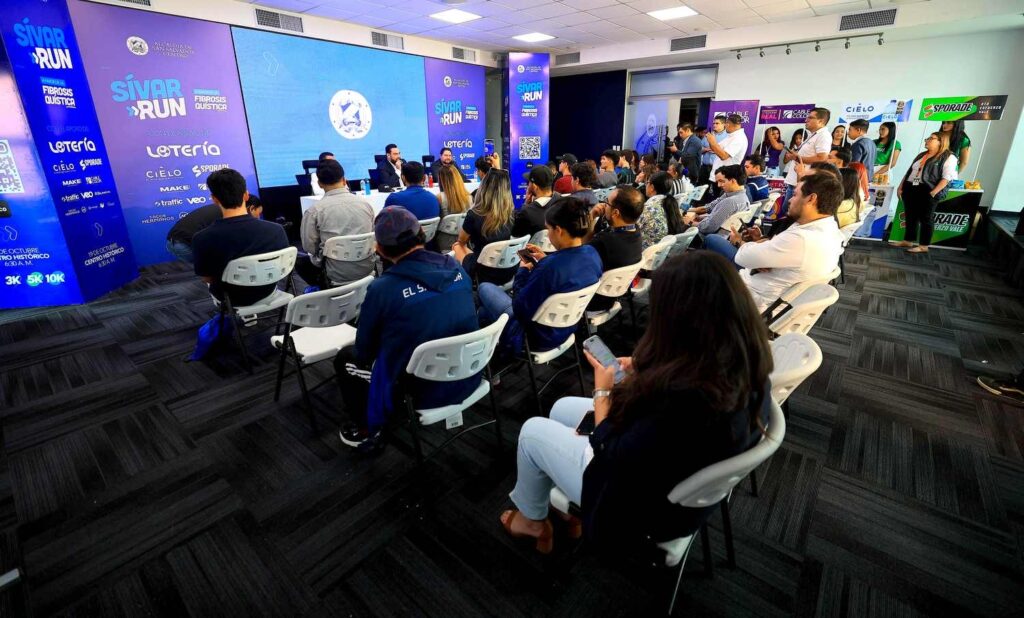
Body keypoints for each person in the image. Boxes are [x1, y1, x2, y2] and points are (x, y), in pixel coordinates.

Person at [499, 250, 773, 556]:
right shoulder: (742, 364)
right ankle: (563, 508)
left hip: (635, 503)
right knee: (560, 408)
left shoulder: (687, 400)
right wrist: (647, 368)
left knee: (532, 432)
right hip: (670, 471)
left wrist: (602, 393)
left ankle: (532, 521)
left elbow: (610, 449)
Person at [334, 206, 479, 453]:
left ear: (379, 249)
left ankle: (366, 428)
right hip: (470, 371)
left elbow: (364, 351)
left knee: (345, 359)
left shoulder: (382, 289)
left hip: (423, 389)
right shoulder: (457, 268)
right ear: (423, 233)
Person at [477, 197, 602, 359]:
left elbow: (519, 308)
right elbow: (568, 273)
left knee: (484, 288)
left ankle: (488, 349)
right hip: (567, 328)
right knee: (485, 312)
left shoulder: (549, 268)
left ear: (559, 230)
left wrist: (522, 271)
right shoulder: (593, 254)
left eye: (548, 229)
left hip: (533, 337)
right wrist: (545, 260)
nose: (548, 234)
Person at [717, 172, 844, 311]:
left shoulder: (802, 239)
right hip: (762, 293)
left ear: (811, 199)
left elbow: (742, 257)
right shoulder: (830, 230)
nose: (790, 200)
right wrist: (761, 244)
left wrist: (739, 242)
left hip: (748, 301)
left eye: (795, 195)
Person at [192, 168, 289, 307]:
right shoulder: (276, 230)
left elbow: (208, 278)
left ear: (214, 199)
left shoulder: (202, 238)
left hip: (230, 298)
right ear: (246, 195)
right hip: (267, 291)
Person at [297, 159, 374, 288]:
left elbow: (309, 247)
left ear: (320, 184)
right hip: (367, 268)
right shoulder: (365, 205)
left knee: (300, 261)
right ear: (344, 180)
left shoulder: (314, 211)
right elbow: (372, 234)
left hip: (335, 274)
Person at [892, 132, 957, 254]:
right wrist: (901, 187)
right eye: (927, 138)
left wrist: (933, 192)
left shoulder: (948, 157)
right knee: (910, 216)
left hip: (928, 190)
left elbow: (947, 178)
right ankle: (908, 240)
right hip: (911, 187)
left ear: (941, 142)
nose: (927, 140)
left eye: (931, 138)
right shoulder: (922, 155)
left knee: (926, 218)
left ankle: (923, 246)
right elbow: (910, 172)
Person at [452, 168, 515, 283]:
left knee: (457, 246)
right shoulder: (511, 215)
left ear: (484, 187)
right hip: (508, 268)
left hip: (483, 272)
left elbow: (461, 241)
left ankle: (462, 283)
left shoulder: (474, 215)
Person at [586, 186, 644, 311]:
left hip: (591, 301)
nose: (603, 205)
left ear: (616, 213)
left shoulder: (604, 241)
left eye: (607, 203)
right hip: (615, 295)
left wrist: (591, 216)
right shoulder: (636, 232)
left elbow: (580, 252)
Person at [782, 107, 831, 215]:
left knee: (789, 214)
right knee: (786, 213)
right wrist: (795, 155)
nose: (806, 120)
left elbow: (822, 158)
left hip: (802, 182)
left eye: (810, 118)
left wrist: (796, 158)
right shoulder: (814, 135)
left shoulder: (823, 135)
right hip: (796, 181)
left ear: (820, 121)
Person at [683, 164, 749, 239]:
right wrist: (698, 216)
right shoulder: (742, 197)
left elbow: (708, 228)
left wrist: (690, 222)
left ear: (733, 181)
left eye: (721, 181)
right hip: (720, 236)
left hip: (710, 237)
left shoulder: (730, 202)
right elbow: (711, 210)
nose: (719, 185)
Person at [705, 114, 750, 199]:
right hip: (719, 176)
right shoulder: (731, 136)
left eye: (725, 124)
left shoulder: (739, 138)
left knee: (718, 203)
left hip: (725, 179)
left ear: (728, 124)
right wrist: (711, 141)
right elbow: (715, 149)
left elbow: (724, 156)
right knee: (712, 201)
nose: (725, 126)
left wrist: (713, 142)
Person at [638, 171, 686, 250]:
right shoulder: (669, 203)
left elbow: (633, 230)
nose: (645, 185)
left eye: (647, 182)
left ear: (652, 187)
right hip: (663, 251)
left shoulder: (648, 207)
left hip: (647, 252)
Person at [513, 165, 559, 238]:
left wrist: (525, 204)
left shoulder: (526, 212)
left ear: (534, 186)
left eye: (529, 182)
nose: (528, 185)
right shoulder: (562, 201)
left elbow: (515, 236)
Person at [436, 164, 472, 250]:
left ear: (441, 180)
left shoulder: (439, 198)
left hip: (444, 241)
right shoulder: (469, 197)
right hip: (464, 241)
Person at [699, 117, 726, 188]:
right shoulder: (708, 135)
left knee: (715, 188)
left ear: (724, 124)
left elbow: (726, 153)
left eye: (717, 123)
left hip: (718, 168)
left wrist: (716, 149)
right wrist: (706, 149)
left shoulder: (727, 137)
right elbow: (699, 149)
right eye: (714, 123)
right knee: (701, 187)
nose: (714, 125)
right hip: (705, 167)